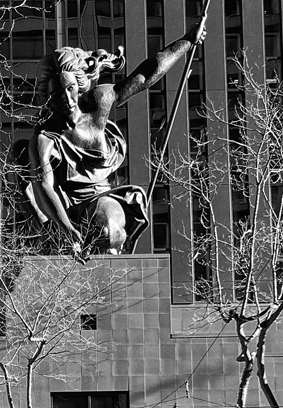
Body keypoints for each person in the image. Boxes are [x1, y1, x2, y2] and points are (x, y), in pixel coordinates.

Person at [24, 26, 204, 258]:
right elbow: (43, 187)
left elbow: (144, 76)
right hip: (70, 211)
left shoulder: (98, 103)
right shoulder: (45, 139)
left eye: (70, 89)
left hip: (103, 198)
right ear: (48, 98)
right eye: (58, 94)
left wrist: (187, 41)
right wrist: (67, 229)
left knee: (107, 229)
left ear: (79, 84)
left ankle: (112, 262)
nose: (67, 99)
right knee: (94, 234)